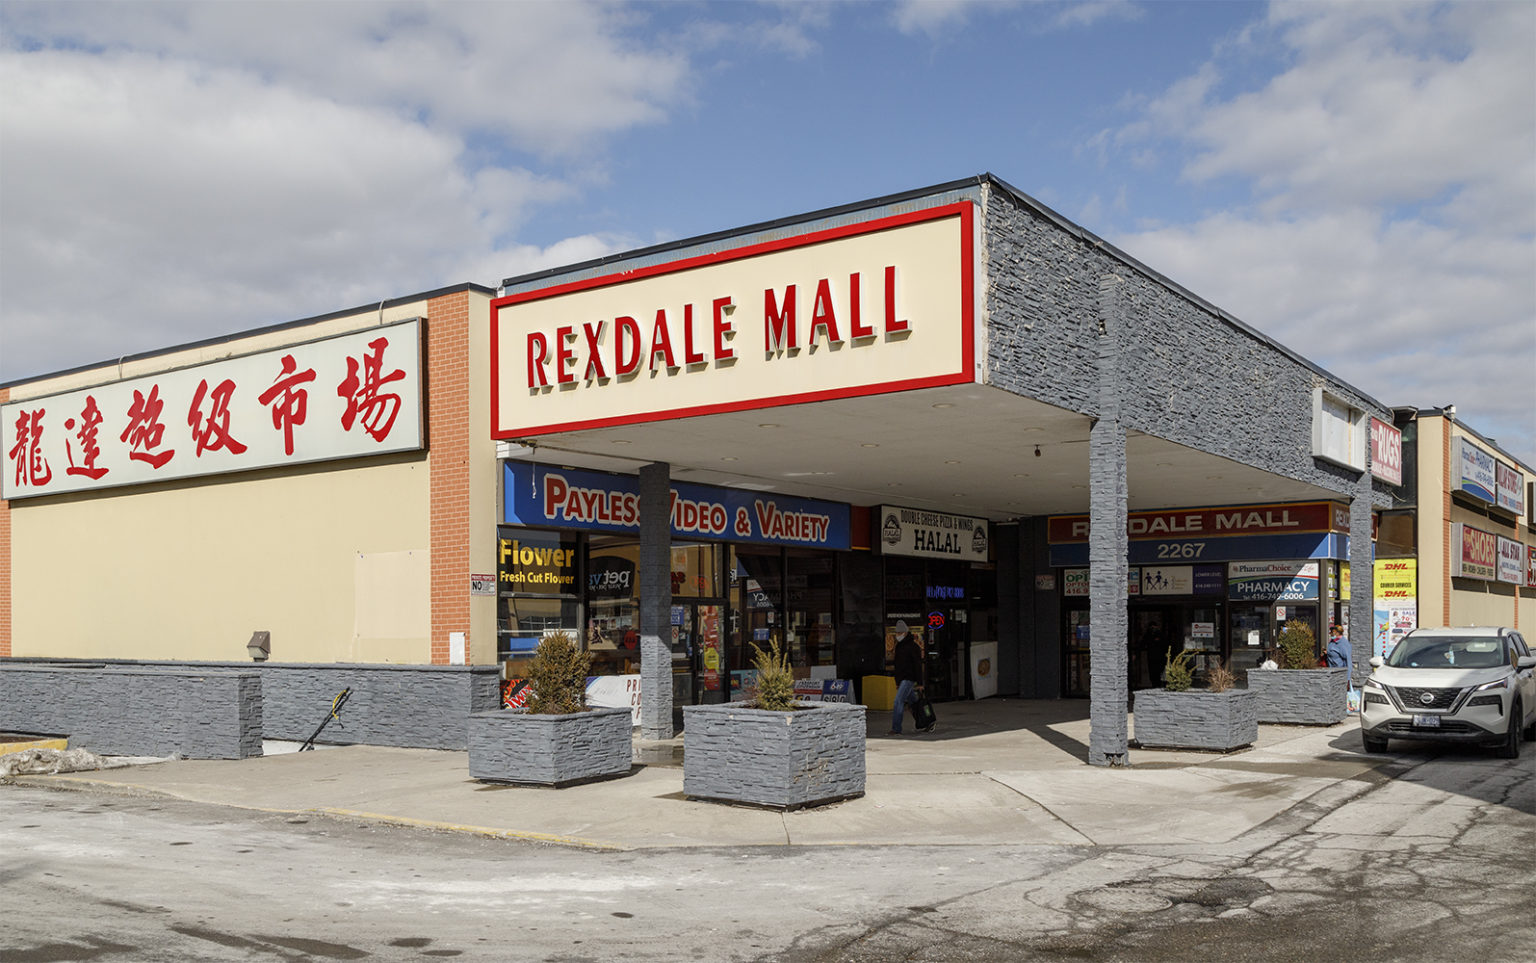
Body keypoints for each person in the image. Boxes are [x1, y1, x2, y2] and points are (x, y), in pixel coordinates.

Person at [889, 620, 924, 735]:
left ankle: (896, 728)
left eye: (899, 633)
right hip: (903, 679)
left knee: (898, 701)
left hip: (909, 678)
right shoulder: (899, 646)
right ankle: (924, 720)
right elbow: (897, 665)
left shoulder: (913, 647)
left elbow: (918, 665)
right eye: (896, 633)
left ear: (904, 633)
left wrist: (920, 683)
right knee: (913, 703)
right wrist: (897, 681)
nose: (897, 635)